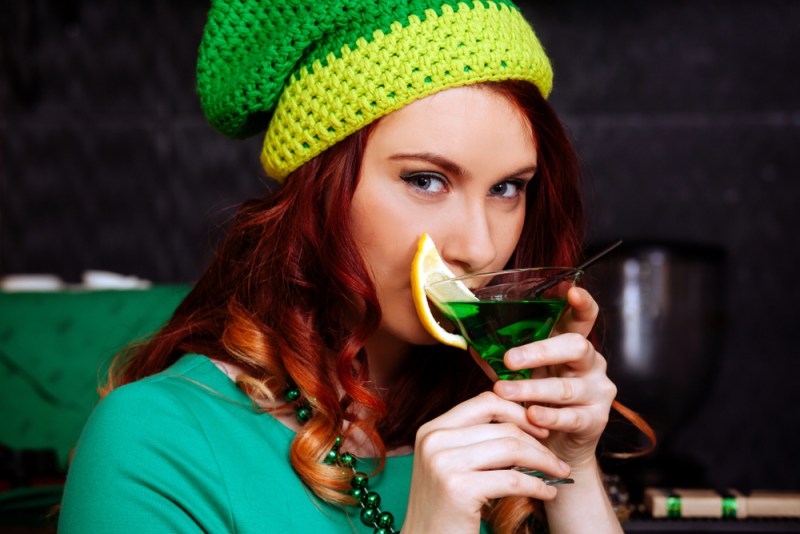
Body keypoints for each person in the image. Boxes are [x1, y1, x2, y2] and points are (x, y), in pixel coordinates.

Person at [59, 1, 646, 532]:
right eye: (425, 180)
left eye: (508, 188)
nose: (479, 246)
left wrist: (572, 469)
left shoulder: (501, 421)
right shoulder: (154, 443)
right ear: (319, 190)